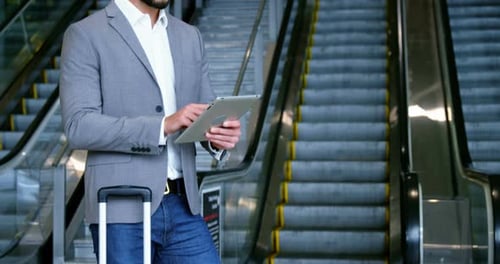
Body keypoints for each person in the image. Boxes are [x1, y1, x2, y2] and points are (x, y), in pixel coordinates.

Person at [59, 0, 241, 263]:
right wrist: (162, 126)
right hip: (121, 207)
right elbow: (79, 125)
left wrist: (218, 136)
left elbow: (205, 112)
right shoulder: (85, 34)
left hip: (184, 206)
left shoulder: (189, 36)